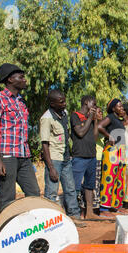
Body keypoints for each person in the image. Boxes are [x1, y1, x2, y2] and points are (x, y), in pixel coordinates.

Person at [0, 63, 40, 213]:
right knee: (7, 196)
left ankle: (32, 228)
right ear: (10, 79)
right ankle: (3, 231)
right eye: (21, 77)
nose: (25, 80)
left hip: (24, 155)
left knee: (34, 192)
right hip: (7, 155)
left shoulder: (21, 101)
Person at [40, 90, 85, 228]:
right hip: (54, 159)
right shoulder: (47, 118)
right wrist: (51, 168)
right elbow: (45, 143)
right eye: (61, 102)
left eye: (64, 100)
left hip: (66, 158)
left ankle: (74, 216)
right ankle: (50, 221)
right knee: (52, 192)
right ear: (52, 103)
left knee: (70, 189)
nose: (64, 104)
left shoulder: (63, 114)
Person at [70, 95, 98, 220]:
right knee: (75, 186)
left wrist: (95, 120)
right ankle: (74, 213)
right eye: (94, 104)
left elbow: (95, 137)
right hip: (79, 156)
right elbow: (80, 133)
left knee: (89, 185)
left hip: (92, 155)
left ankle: (90, 212)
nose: (96, 106)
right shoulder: (75, 116)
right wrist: (90, 118)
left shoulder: (90, 118)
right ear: (87, 102)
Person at [97, 98, 126, 214]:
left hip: (120, 151)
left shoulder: (118, 119)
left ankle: (116, 205)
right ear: (113, 108)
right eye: (119, 106)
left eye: (122, 106)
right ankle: (104, 208)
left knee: (119, 179)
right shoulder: (110, 117)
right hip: (111, 151)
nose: (121, 108)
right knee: (108, 179)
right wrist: (109, 136)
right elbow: (99, 126)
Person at [93, 106, 104, 211]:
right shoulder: (93, 125)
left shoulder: (103, 126)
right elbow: (95, 138)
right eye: (98, 112)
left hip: (102, 157)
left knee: (100, 182)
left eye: (101, 112)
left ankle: (98, 205)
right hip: (95, 157)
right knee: (94, 183)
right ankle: (94, 207)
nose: (101, 114)